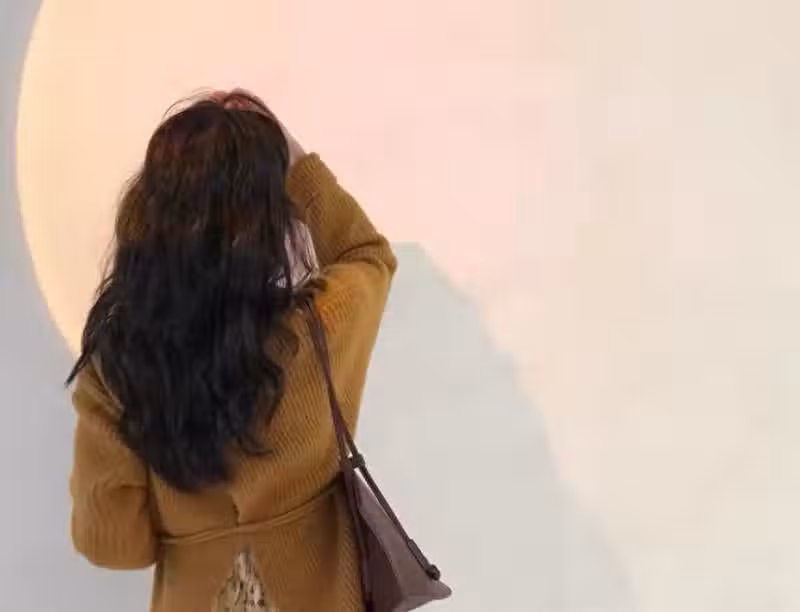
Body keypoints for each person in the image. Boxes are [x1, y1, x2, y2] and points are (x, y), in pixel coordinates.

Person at [66, 89, 397, 612]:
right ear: (270, 218)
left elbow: (116, 546)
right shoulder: (320, 326)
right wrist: (295, 158)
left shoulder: (116, 367)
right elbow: (367, 253)